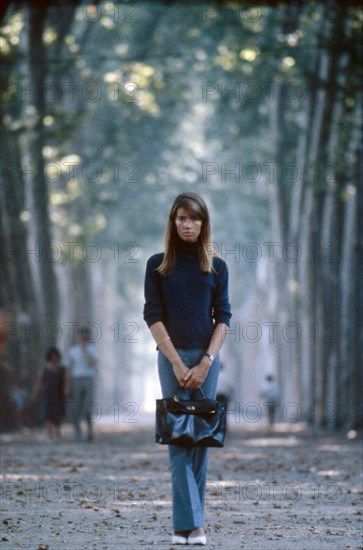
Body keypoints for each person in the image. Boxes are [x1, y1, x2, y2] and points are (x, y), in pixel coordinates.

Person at [143, 192, 232, 546]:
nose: (188, 225)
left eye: (194, 219)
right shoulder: (156, 265)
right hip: (170, 358)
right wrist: (178, 363)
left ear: (203, 223)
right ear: (173, 222)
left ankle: (189, 524)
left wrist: (206, 362)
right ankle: (192, 526)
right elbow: (152, 315)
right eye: (181, 218)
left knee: (202, 441)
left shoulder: (217, 266)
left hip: (208, 359)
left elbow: (223, 318)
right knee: (178, 438)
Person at [64, 326, 98, 442]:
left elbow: (93, 363)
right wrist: (67, 386)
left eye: (84, 336)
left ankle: (90, 432)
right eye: (80, 336)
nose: (82, 338)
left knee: (88, 408)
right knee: (75, 407)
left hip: (88, 379)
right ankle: (77, 434)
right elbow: (68, 369)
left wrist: (86, 351)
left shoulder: (92, 349)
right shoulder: (72, 351)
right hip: (76, 380)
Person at [31, 346, 68, 440]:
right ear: (49, 357)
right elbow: (39, 382)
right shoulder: (44, 369)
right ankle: (50, 436)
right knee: (48, 416)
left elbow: (65, 382)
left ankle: (58, 433)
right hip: (47, 394)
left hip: (58, 394)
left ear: (58, 357)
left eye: (55, 356)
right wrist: (34, 395)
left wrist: (66, 391)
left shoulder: (62, 369)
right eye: (51, 356)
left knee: (58, 415)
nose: (53, 358)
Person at [216, 362, 234, 435]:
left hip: (216, 397)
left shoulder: (215, 375)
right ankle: (224, 428)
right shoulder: (227, 376)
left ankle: (216, 428)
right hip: (224, 397)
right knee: (224, 413)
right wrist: (230, 396)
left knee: (215, 413)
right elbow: (231, 387)